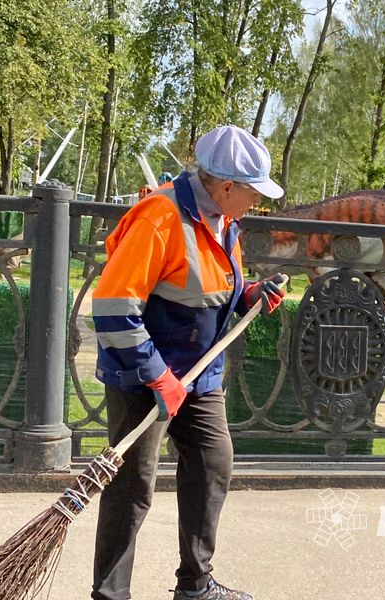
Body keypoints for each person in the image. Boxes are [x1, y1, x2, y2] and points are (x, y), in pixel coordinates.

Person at [91, 125, 287, 600]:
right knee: (132, 488)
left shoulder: (225, 220)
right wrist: (156, 375)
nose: (258, 202)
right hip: (143, 376)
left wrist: (251, 295)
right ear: (225, 187)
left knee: (212, 463)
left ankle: (195, 587)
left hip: (199, 376)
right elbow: (113, 307)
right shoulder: (159, 217)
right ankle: (110, 595)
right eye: (254, 192)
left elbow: (213, 288)